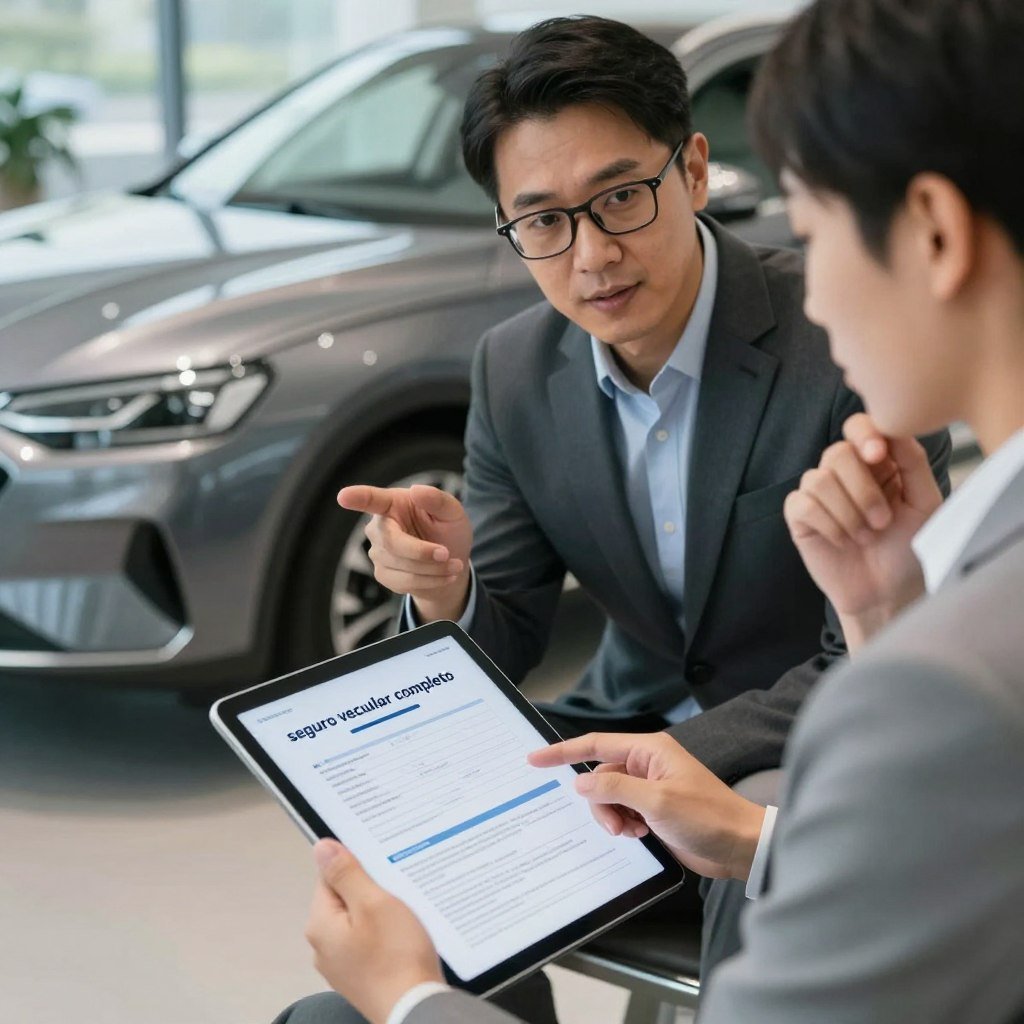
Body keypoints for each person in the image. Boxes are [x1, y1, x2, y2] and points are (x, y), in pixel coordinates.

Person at [282, 0, 1024, 1021]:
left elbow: (863, 664)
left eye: (618, 197)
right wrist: (450, 594)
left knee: (753, 825)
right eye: (541, 221)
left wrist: (692, 764)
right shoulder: (513, 364)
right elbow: (507, 637)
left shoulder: (840, 353)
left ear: (690, 170)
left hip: (784, 736)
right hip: (615, 733)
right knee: (400, 874)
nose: (589, 255)